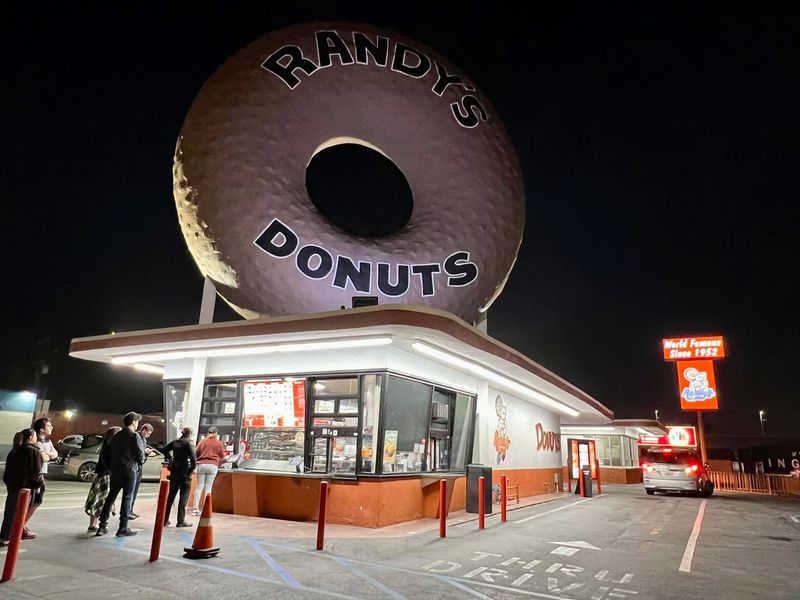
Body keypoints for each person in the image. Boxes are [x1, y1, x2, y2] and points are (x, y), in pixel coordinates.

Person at [95, 412, 144, 537]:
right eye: (137, 421)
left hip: (115, 472)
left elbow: (109, 454)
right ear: (133, 421)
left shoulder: (116, 436)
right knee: (127, 498)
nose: (138, 424)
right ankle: (123, 527)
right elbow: (140, 456)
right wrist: (142, 458)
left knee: (110, 498)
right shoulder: (134, 436)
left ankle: (102, 526)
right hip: (130, 471)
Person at [1, 429, 44, 546]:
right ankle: (13, 535)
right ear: (30, 437)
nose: (36, 438)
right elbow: (36, 471)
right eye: (35, 436)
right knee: (20, 512)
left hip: (13, 486)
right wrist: (37, 485)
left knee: (10, 511)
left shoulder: (15, 450)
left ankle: (5, 535)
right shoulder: (33, 451)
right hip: (26, 487)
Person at [84, 426, 121, 532]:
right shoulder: (113, 447)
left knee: (96, 499)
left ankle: (93, 524)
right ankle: (101, 524)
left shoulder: (105, 445)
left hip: (100, 475)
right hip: (106, 476)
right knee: (104, 500)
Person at [25, 417, 57, 538]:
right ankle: (20, 526)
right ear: (42, 429)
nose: (51, 428)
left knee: (37, 501)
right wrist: (47, 454)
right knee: (32, 501)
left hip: (41, 475)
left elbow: (55, 454)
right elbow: (44, 457)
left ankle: (22, 525)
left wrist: (47, 454)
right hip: (36, 475)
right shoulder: (36, 442)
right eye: (49, 426)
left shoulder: (47, 441)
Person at [162, 426, 197, 528]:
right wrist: (192, 469)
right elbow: (193, 457)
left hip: (174, 472)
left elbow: (164, 449)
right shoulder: (189, 442)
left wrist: (170, 458)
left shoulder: (175, 441)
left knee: (171, 496)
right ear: (190, 433)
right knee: (184, 496)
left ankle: (165, 519)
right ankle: (180, 520)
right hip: (185, 471)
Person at [192, 426, 226, 516]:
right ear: (216, 434)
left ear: (208, 433)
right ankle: (205, 510)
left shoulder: (202, 441)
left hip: (201, 465)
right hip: (213, 466)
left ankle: (195, 509)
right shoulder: (219, 443)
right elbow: (223, 457)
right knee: (208, 488)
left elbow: (195, 453)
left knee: (199, 487)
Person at [128, 423, 155, 520]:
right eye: (148, 433)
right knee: (131, 491)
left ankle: (130, 510)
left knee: (134, 491)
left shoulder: (143, 440)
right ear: (143, 430)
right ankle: (127, 511)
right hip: (134, 466)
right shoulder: (136, 437)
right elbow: (138, 453)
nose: (148, 436)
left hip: (139, 467)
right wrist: (145, 452)